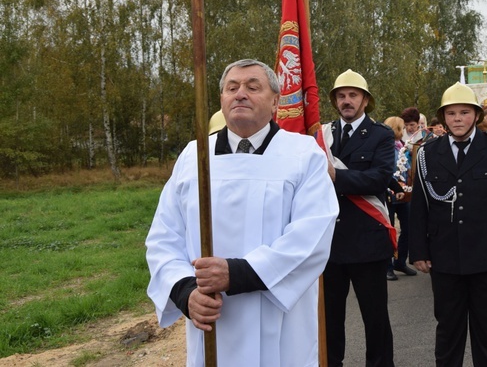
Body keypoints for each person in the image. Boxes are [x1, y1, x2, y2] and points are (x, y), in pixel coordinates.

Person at [145, 59, 339, 366]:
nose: (240, 94)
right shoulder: (194, 157)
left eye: (253, 86)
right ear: (221, 99)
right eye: (231, 88)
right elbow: (163, 238)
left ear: (275, 101)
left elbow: (312, 237)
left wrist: (237, 273)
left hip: (282, 326)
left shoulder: (303, 155)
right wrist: (186, 292)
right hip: (212, 319)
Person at [410, 82, 487, 366]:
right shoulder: (428, 154)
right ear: (443, 118)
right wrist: (419, 251)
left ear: (475, 115)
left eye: (464, 112)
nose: (458, 119)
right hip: (445, 257)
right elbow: (419, 207)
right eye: (451, 114)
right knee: (448, 331)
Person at [323, 69, 396, 367]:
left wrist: (335, 175)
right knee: (329, 319)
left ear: (365, 100)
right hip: (328, 243)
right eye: (341, 96)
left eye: (353, 95)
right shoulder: (322, 136)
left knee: (375, 318)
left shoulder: (381, 135)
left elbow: (379, 179)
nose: (347, 101)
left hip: (367, 240)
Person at [382, 116, 418, 281]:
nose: (404, 131)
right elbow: (386, 170)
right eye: (402, 128)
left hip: (405, 192)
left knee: (408, 227)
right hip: (389, 192)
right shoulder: (386, 147)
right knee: (389, 230)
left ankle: (400, 261)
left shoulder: (402, 146)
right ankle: (387, 266)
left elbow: (407, 167)